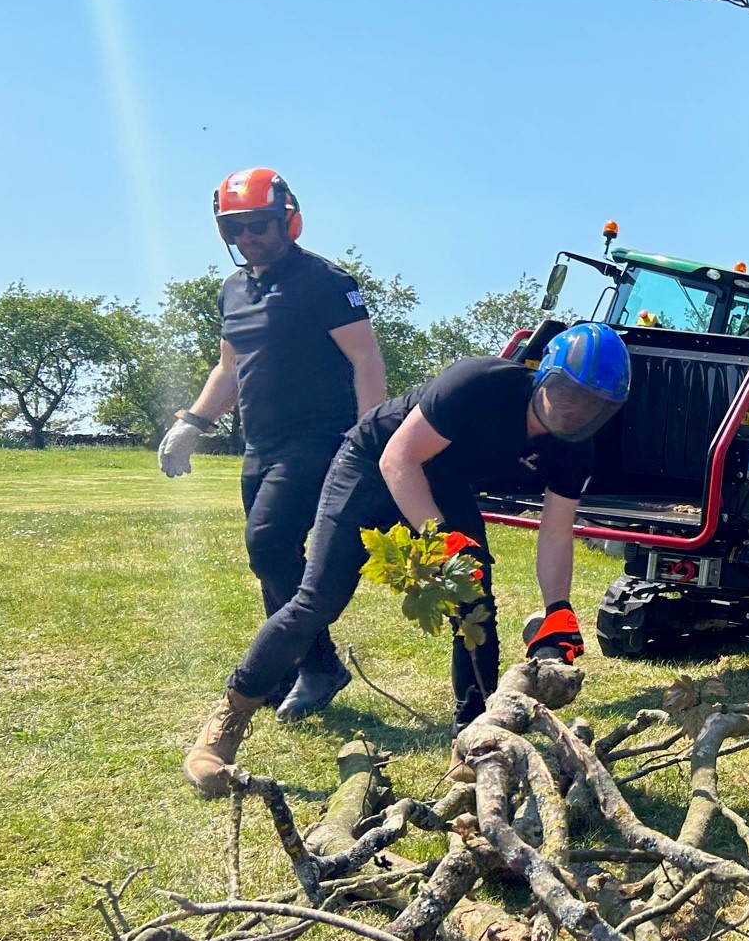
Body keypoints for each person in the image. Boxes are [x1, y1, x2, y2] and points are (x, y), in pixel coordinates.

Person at [182, 322, 631, 797]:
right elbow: (398, 460)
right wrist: (441, 541)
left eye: (594, 405)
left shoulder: (577, 447)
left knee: (473, 602)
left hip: (444, 483)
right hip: (373, 464)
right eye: (567, 391)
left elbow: (557, 531)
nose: (574, 409)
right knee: (317, 601)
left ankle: (473, 741)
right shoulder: (478, 382)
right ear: (543, 374)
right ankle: (226, 723)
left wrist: (557, 608)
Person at [161, 168, 387, 720]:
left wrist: (367, 440)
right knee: (273, 558)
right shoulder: (234, 289)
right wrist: (193, 421)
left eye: (257, 225)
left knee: (267, 543)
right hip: (259, 444)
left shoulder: (326, 282)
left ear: (288, 218)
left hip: (321, 441)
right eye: (233, 229)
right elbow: (229, 368)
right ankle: (286, 667)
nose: (247, 238)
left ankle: (319, 666)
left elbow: (367, 361)